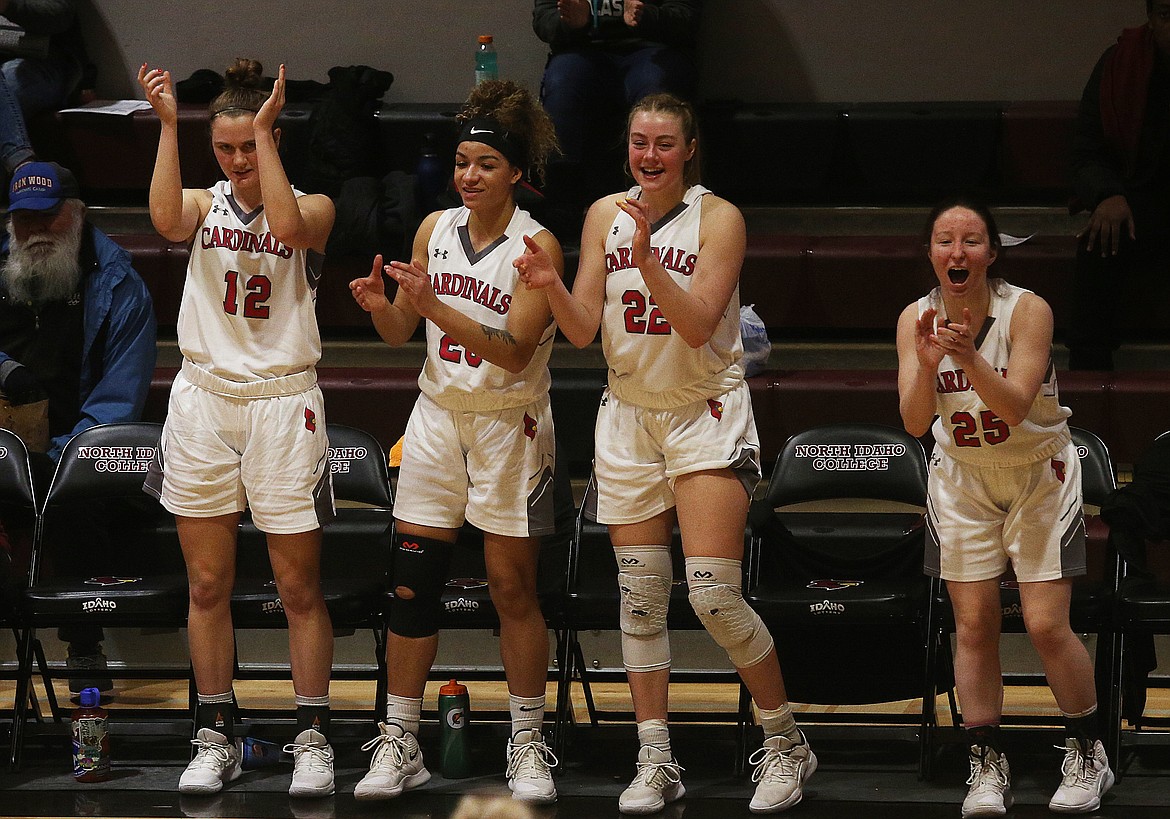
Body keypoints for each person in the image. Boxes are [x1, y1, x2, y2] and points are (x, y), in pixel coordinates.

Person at [516, 92, 814, 816]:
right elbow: (584, 328)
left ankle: (785, 741)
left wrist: (647, 260)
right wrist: (553, 284)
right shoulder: (600, 215)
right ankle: (656, 757)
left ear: (688, 151)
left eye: (663, 144)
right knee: (641, 600)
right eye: (639, 143)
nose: (648, 156)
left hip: (703, 411)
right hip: (628, 416)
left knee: (712, 593)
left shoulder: (720, 218)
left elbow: (696, 323)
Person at [348, 79, 563, 805]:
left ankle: (528, 739)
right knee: (411, 585)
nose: (468, 175)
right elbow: (403, 334)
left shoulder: (537, 243)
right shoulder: (432, 229)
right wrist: (385, 308)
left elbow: (512, 349)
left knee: (512, 588)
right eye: (462, 161)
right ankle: (400, 737)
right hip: (437, 417)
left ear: (515, 173)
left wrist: (435, 302)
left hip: (510, 424)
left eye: (485, 164)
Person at [137, 58, 338, 798]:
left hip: (284, 402)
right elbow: (162, 221)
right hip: (205, 399)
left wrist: (266, 139)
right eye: (224, 148)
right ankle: (215, 730)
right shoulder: (202, 202)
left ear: (272, 138)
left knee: (296, 584)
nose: (236, 160)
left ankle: (312, 733)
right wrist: (167, 127)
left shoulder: (313, 205)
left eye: (248, 144)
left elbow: (287, 226)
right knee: (208, 581)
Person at [897, 197, 1115, 817]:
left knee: (1046, 625)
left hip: (1037, 474)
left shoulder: (1028, 310)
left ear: (992, 252)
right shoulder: (916, 317)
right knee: (974, 626)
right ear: (931, 253)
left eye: (971, 241)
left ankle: (1086, 749)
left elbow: (1016, 405)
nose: (957, 252)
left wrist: (967, 360)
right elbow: (914, 420)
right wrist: (929, 365)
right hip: (962, 479)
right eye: (944, 240)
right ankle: (986, 763)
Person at [0, 159, 156, 697]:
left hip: (85, 449)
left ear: (77, 214)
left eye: (48, 218)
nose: (37, 231)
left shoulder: (119, 285)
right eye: (24, 220)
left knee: (72, 492)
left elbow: (119, 401)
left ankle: (83, 647)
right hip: (2, 448)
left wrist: (57, 456)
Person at [532, 0, 702, 227]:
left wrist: (647, 16)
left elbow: (687, 19)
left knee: (655, 86)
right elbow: (544, 20)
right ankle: (562, 213)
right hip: (581, 48)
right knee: (564, 86)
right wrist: (573, 23)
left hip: (652, 46)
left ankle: (661, 208)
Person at [1067, 1, 1170, 370]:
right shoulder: (1119, 63)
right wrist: (1107, 193)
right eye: (1166, 15)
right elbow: (1086, 153)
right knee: (1100, 238)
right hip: (1137, 199)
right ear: (1152, 19)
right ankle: (1089, 379)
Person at [0, 0, 90, 177]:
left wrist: (8, 6)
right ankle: (24, 169)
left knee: (8, 85)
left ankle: (24, 171)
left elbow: (60, 16)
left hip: (40, 62)